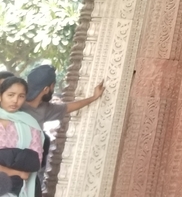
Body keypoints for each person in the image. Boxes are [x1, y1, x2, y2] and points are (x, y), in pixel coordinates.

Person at [21, 66, 104, 197]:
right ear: (46, 89)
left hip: (30, 170)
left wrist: (93, 97)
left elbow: (68, 107)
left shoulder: (45, 109)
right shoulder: (17, 105)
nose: (53, 90)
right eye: (53, 86)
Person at [0, 75, 43, 197]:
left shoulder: (30, 124)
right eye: (10, 95)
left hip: (17, 188)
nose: (15, 100)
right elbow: (24, 167)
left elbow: (35, 160)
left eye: (21, 96)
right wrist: (15, 171)